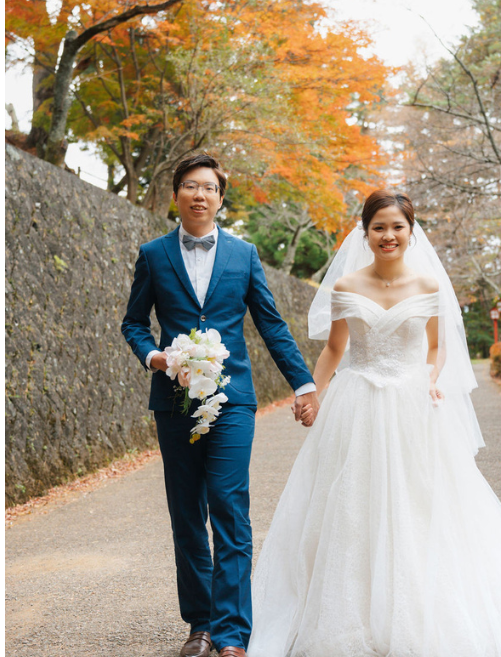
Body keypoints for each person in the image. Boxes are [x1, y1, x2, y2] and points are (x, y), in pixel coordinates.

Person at [247, 190, 501, 657]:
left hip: (412, 405)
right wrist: (311, 391)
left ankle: (417, 611)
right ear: (365, 232)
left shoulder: (429, 287)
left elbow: (435, 348)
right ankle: (345, 611)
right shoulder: (348, 286)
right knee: (351, 506)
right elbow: (335, 348)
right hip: (358, 404)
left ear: (411, 232)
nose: (388, 235)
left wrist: (432, 380)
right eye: (379, 227)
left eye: (397, 227)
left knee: (420, 504)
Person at [121, 153, 318, 657]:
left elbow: (271, 324)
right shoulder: (153, 253)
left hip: (233, 401)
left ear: (220, 198)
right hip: (173, 400)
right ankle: (201, 626)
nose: (199, 194)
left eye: (208, 187)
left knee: (230, 510)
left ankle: (232, 635)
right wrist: (155, 357)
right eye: (190, 186)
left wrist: (302, 384)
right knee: (186, 513)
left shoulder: (245, 254)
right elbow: (134, 323)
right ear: (176, 195)